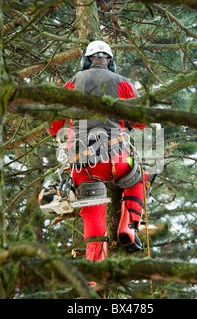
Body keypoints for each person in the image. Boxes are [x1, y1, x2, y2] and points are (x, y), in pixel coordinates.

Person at [49, 40, 148, 262]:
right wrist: (128, 124)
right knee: (137, 177)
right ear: (111, 62)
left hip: (82, 162)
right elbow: (142, 119)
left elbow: (55, 122)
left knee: (92, 211)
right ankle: (128, 227)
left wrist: (56, 131)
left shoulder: (72, 83)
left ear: (86, 60)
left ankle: (96, 273)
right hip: (117, 159)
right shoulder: (121, 82)